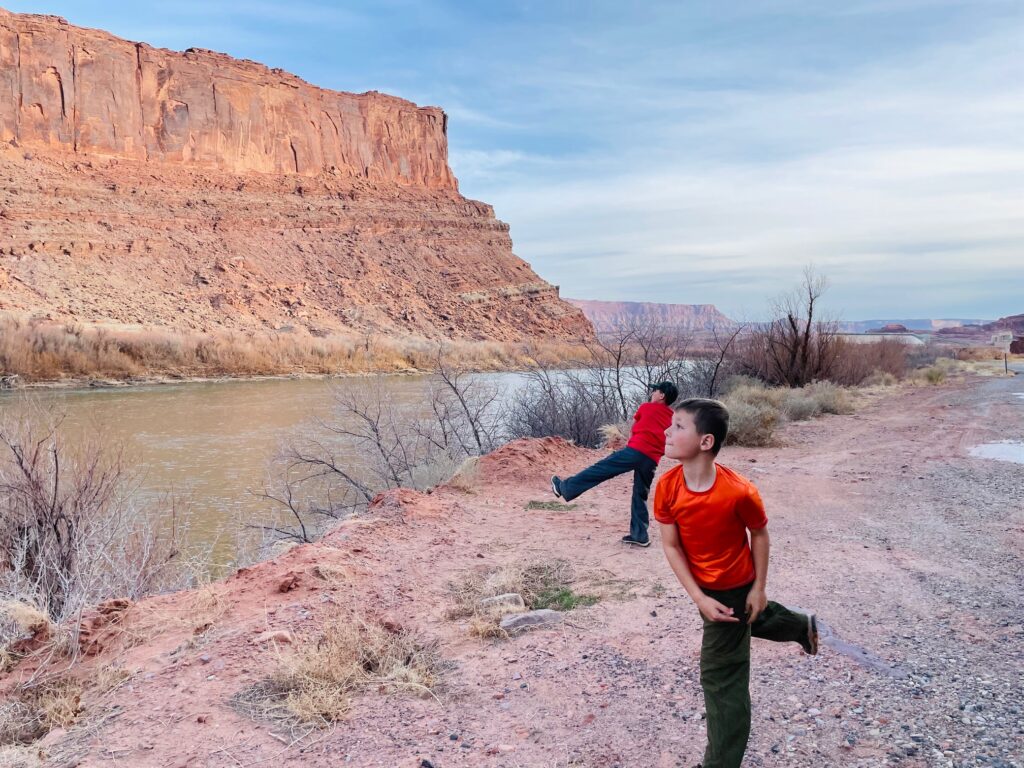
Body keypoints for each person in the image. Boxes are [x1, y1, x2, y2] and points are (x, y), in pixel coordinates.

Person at [655, 397, 818, 768]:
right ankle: (799, 625)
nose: (667, 430)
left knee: (720, 679)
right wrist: (698, 596)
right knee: (749, 616)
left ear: (705, 441)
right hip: (709, 589)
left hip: (735, 586)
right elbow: (670, 544)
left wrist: (758, 588)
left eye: (678, 426)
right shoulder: (667, 487)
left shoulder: (739, 490)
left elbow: (759, 534)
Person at [550, 381, 678, 546]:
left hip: (635, 451)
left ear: (662, 396)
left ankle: (564, 488)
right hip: (651, 459)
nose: (652, 392)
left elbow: (633, 428)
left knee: (600, 470)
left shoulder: (646, 407)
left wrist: (631, 445)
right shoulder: (672, 416)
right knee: (640, 494)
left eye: (655, 390)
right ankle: (640, 535)